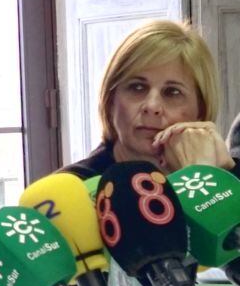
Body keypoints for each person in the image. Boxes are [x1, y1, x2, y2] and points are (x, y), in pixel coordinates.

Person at [63, 20, 237, 179]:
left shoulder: (231, 179)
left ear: (201, 110)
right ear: (110, 101)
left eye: (172, 92)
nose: (152, 106)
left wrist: (205, 178)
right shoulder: (72, 188)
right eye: (137, 88)